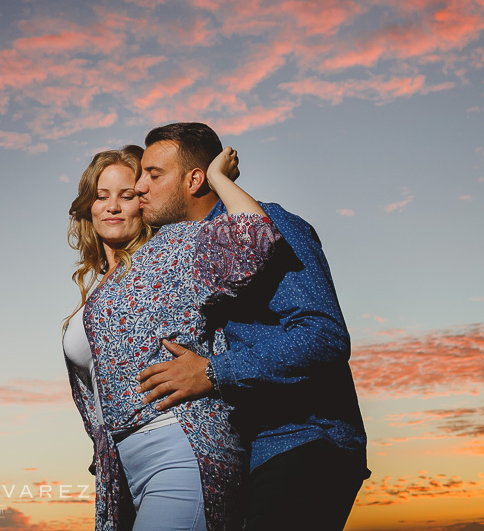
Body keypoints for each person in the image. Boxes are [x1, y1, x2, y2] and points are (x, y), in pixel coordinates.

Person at [134, 123, 368, 531]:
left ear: (194, 179)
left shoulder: (272, 225)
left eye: (153, 174)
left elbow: (324, 335)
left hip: (304, 441)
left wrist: (213, 371)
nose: (139, 186)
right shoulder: (187, 251)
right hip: (245, 455)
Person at [63, 144, 280, 531]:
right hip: (124, 469)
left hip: (181, 446)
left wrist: (217, 178)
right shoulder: (98, 288)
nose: (112, 206)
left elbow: (256, 240)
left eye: (126, 195)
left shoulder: (173, 248)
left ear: (143, 202)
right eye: (101, 196)